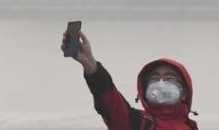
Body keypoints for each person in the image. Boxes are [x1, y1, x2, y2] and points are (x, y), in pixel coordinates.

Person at [62, 27, 199, 130]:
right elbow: (111, 103)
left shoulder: (190, 127)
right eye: (154, 78)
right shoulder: (139, 123)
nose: (160, 83)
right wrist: (91, 66)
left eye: (169, 78)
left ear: (184, 93)